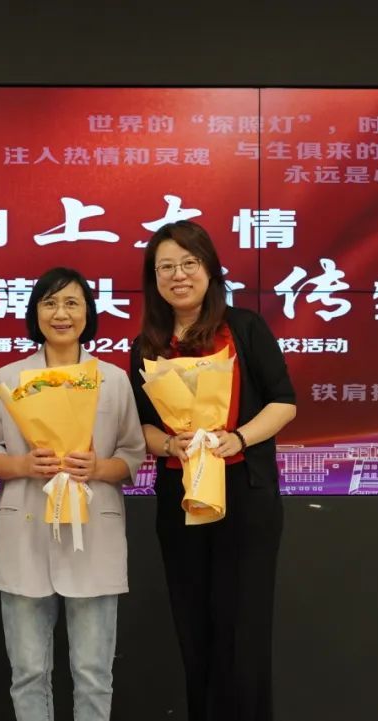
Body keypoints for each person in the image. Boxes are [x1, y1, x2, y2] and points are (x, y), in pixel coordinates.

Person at [128, 221, 296, 721]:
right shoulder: (147, 344)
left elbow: (283, 402)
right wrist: (169, 444)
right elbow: (141, 426)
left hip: (245, 495)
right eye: (166, 267)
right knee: (193, 627)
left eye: (189, 263)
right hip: (181, 497)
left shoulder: (244, 328)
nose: (178, 275)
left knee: (243, 630)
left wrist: (238, 438)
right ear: (154, 278)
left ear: (209, 269)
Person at [0, 266, 146, 721]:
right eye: (49, 303)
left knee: (93, 673)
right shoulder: (10, 375)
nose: (61, 314)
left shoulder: (112, 379)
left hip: (93, 536)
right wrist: (21, 465)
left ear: (88, 313)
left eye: (72, 303)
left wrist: (99, 467)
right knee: (28, 673)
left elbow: (132, 453)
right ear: (35, 313)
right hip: (25, 533)